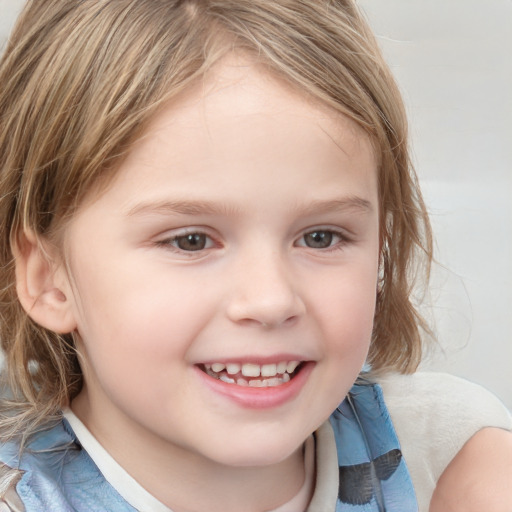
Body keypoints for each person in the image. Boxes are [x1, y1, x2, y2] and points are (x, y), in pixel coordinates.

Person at [0, 1, 510, 511]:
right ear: (50, 277)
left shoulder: (448, 463)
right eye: (190, 241)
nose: (270, 300)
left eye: (320, 237)